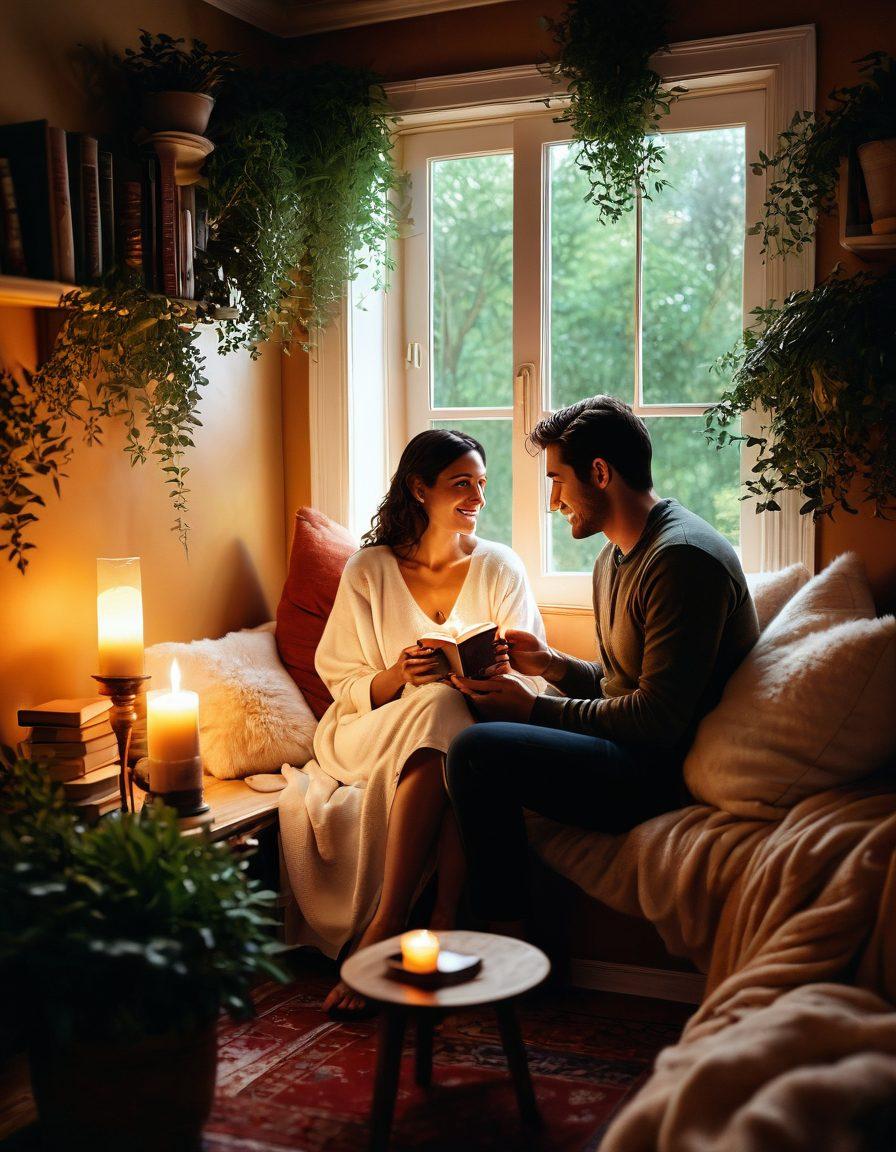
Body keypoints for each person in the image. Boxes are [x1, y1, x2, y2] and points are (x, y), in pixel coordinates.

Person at [445, 395, 759, 935]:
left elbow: (657, 719)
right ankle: (509, 936)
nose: (552, 501)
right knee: (472, 723)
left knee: (477, 752)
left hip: (659, 771)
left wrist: (536, 710)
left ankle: (507, 942)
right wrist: (552, 665)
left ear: (599, 472)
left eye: (557, 480)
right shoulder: (614, 555)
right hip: (629, 748)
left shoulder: (683, 561)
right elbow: (621, 684)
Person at [278, 429, 545, 1016]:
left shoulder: (500, 567)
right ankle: (407, 920)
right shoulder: (369, 570)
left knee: (455, 723)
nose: (476, 497)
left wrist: (495, 672)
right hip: (366, 733)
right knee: (439, 711)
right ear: (419, 489)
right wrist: (399, 673)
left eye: (481, 484)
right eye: (460, 484)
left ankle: (417, 923)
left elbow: (532, 681)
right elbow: (342, 684)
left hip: (466, 730)